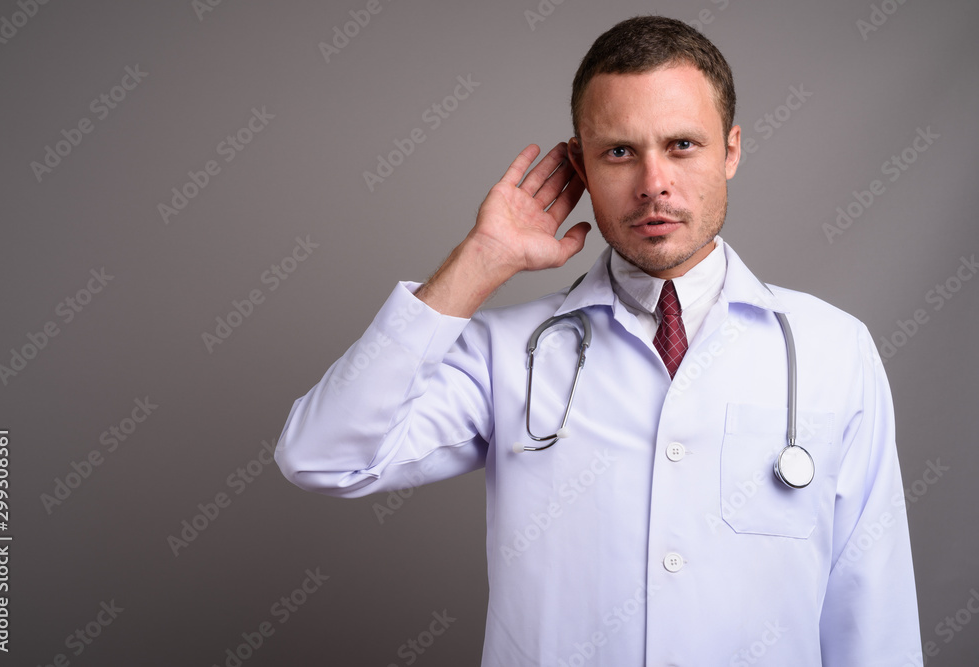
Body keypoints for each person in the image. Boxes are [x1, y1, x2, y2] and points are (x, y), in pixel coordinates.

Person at [275, 16, 922, 666]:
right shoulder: (509, 353)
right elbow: (321, 455)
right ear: (579, 163)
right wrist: (481, 259)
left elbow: (873, 610)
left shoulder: (832, 350)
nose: (653, 183)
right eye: (619, 152)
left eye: (681, 146)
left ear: (731, 150)